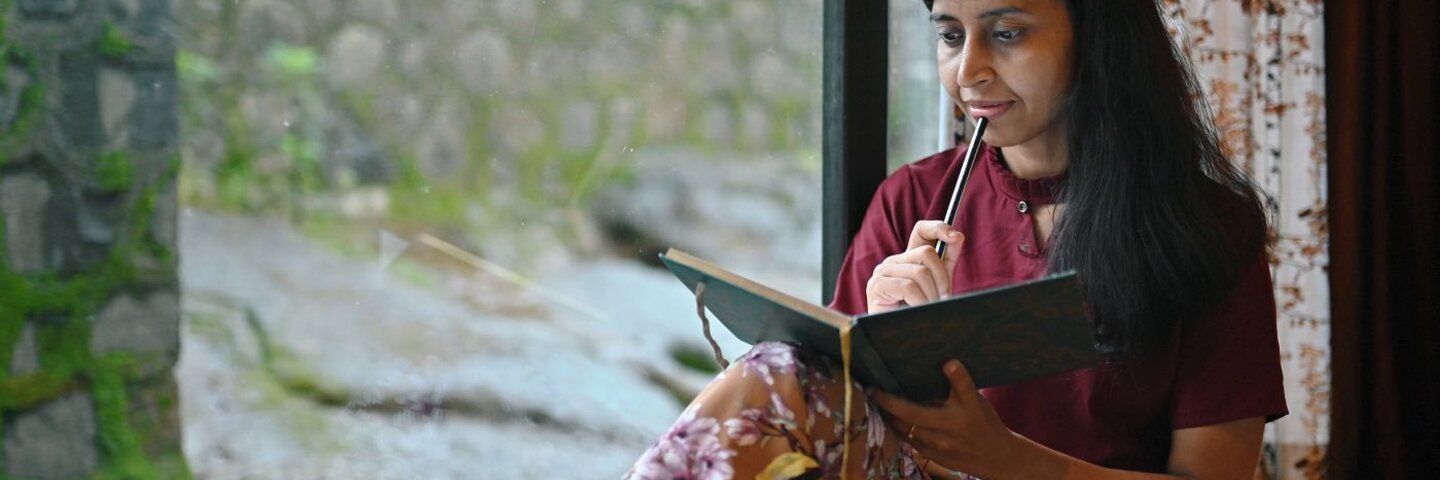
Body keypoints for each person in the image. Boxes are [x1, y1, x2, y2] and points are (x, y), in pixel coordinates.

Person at [625, 0, 1286, 478]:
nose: (968, 71)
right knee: (780, 370)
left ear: (1097, 36)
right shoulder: (913, 200)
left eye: (1006, 33)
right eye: (948, 35)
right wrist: (877, 333)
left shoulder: (1206, 229)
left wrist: (1007, 461)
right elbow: (842, 414)